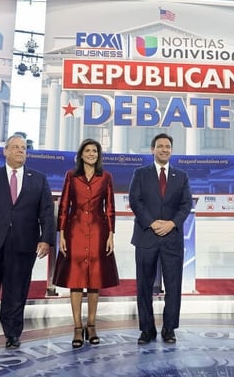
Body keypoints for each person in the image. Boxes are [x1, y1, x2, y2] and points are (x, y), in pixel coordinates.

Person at [0, 134, 56, 351]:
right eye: (15, 147)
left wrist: (46, 240)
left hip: (23, 244)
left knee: (16, 291)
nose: (20, 151)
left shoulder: (39, 178)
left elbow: (46, 211)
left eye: (23, 148)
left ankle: (13, 334)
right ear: (5, 151)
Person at [53, 138, 120, 348]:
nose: (91, 154)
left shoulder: (106, 177)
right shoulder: (71, 176)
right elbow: (64, 205)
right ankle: (77, 327)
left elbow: (110, 207)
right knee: (75, 279)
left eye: (95, 151)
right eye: (88, 150)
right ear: (81, 154)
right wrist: (61, 234)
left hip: (99, 231)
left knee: (94, 280)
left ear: (99, 155)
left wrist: (111, 234)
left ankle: (91, 325)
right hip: (75, 230)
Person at [129, 133, 192, 345]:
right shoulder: (140, 173)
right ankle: (147, 330)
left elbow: (186, 205)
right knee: (144, 286)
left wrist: (172, 223)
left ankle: (169, 329)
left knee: (173, 286)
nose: (164, 149)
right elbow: (135, 201)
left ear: (171, 150)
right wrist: (152, 222)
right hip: (146, 236)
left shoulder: (181, 176)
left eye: (167, 146)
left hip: (172, 238)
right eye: (160, 146)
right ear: (152, 150)